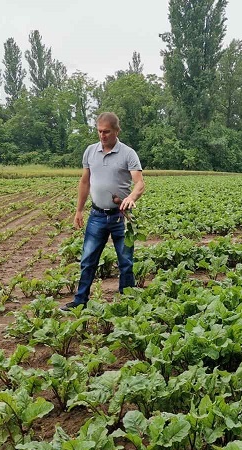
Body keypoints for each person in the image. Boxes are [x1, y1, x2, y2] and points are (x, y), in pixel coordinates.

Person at [63, 112, 145, 309]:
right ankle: (80, 300)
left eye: (106, 131)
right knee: (88, 260)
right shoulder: (90, 151)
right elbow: (85, 182)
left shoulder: (128, 153)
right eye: (99, 131)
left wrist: (131, 198)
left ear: (116, 131)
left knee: (125, 261)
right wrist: (79, 210)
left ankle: (127, 302)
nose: (102, 135)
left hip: (121, 216)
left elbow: (139, 183)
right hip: (97, 215)